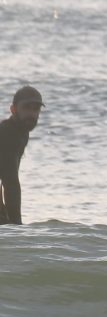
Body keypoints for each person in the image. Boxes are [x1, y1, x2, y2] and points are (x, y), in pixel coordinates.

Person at [0, 85, 44, 225]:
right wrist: (17, 228)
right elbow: (11, 182)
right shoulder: (9, 134)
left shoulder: (21, 132)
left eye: (35, 109)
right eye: (26, 108)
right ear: (13, 109)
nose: (31, 114)